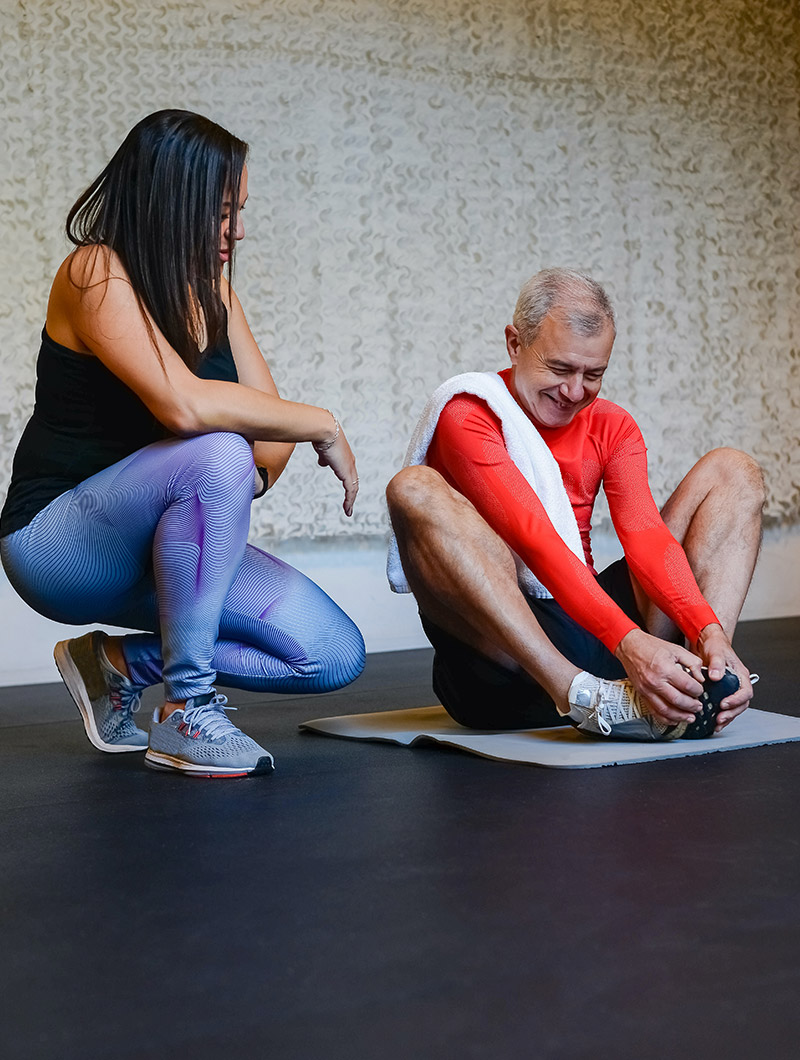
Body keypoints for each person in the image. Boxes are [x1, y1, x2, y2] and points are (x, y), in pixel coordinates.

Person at [0, 109, 365, 777]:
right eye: (223, 212)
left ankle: (115, 665)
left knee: (332, 651)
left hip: (165, 551)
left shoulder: (216, 291)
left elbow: (269, 436)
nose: (239, 231)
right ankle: (186, 710)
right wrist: (321, 424)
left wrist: (220, 489)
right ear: (171, 198)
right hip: (61, 543)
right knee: (219, 448)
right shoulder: (95, 272)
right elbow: (187, 406)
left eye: (240, 211)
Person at [386, 268, 764, 740]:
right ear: (515, 344)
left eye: (593, 374)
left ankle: (702, 681)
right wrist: (628, 642)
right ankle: (579, 696)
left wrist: (708, 630)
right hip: (509, 662)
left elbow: (646, 537)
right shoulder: (469, 413)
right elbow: (535, 538)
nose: (574, 391)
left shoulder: (611, 425)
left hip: (596, 632)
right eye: (560, 369)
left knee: (733, 470)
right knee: (412, 487)